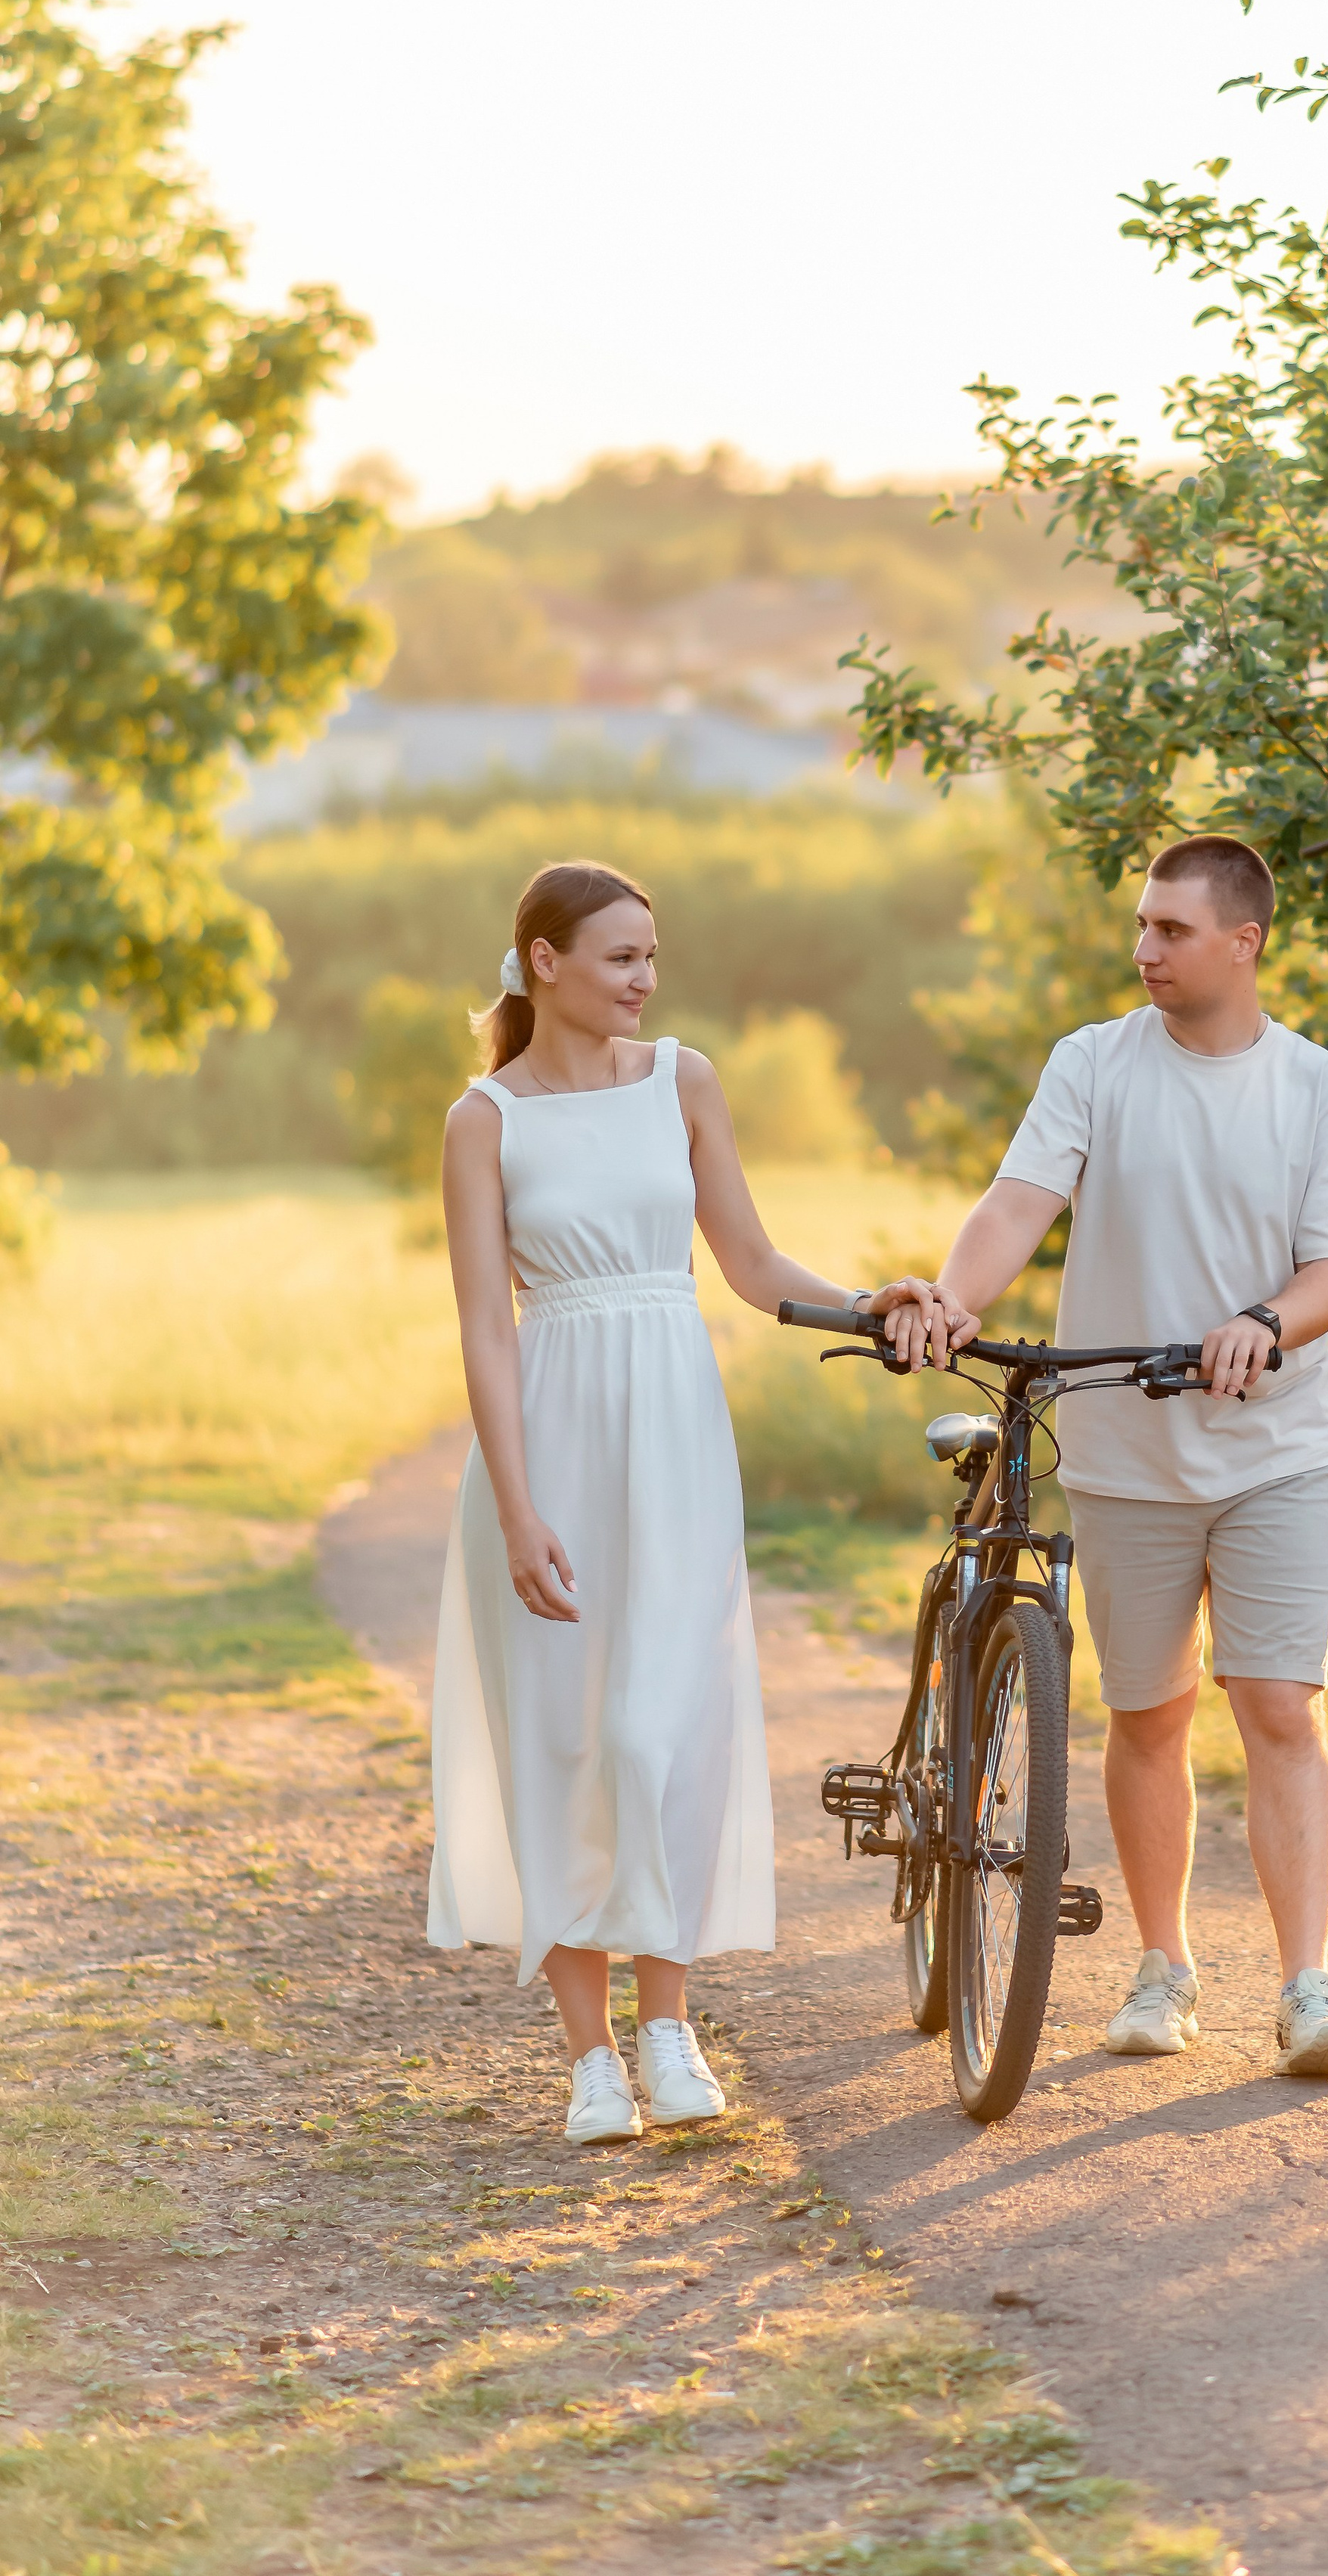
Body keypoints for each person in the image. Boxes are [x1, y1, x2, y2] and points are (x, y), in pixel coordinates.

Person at [430, 858, 942, 2144]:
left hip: (673, 1432)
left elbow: (755, 1264)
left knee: (666, 1731)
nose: (646, 979)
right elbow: (487, 1334)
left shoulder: (684, 1081)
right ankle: (590, 2056)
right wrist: (514, 1506)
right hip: (549, 1436)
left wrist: (864, 1306)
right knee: (566, 1736)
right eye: (620, 957)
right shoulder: (483, 1120)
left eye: (652, 956)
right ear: (544, 962)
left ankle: (670, 2028)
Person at [926, 833, 1328, 2078]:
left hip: (1276, 1448)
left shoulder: (1312, 1087)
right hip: (1127, 1451)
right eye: (1140, 926)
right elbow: (1018, 1200)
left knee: (1280, 1705)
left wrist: (1263, 1325)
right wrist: (959, 1298)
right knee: (1149, 1713)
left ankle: (1307, 1990)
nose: (1144, 950)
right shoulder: (1095, 1062)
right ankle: (1165, 1970)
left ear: (1246, 942)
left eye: (1171, 931)